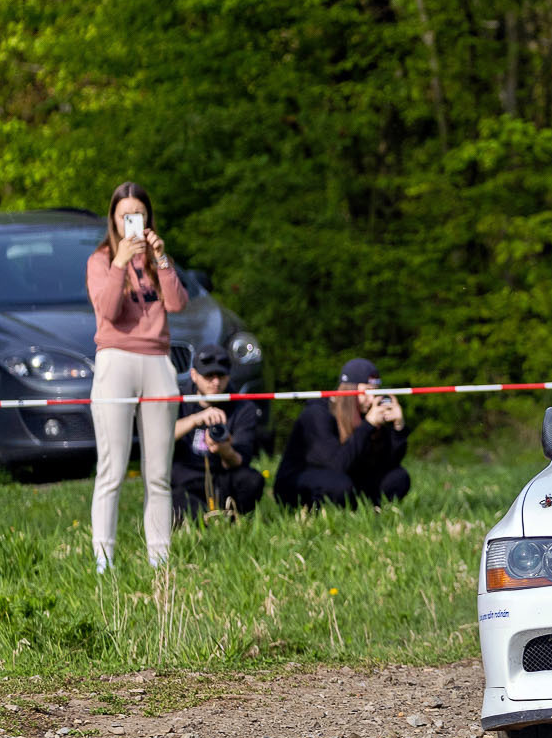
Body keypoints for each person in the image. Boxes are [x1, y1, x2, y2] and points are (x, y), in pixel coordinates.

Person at [86, 181, 188, 570]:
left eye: (139, 214)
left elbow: (177, 304)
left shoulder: (157, 258)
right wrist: (119, 263)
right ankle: (103, 561)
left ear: (148, 218)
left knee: (158, 473)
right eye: (125, 215)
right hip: (116, 359)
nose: (132, 221)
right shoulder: (100, 260)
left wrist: (161, 260)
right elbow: (109, 311)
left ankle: (160, 561)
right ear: (113, 219)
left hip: (157, 360)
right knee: (112, 469)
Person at [273, 358, 410, 508]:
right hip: (302, 481)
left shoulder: (365, 411)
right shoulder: (317, 414)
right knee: (340, 485)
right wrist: (368, 425)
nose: (372, 399)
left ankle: (370, 510)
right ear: (350, 390)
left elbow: (388, 462)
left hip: (345, 476)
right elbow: (337, 464)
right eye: (367, 392)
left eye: (375, 392)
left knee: (398, 477)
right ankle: (314, 512)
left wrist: (398, 428)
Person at [171, 343, 264, 520]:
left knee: (252, 480)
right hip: (186, 480)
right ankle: (201, 518)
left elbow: (241, 460)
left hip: (223, 478)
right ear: (194, 375)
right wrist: (195, 420)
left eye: (221, 375)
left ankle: (233, 518)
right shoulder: (178, 401)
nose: (216, 382)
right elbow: (160, 439)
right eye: (209, 375)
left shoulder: (243, 408)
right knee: (176, 502)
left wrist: (225, 451)